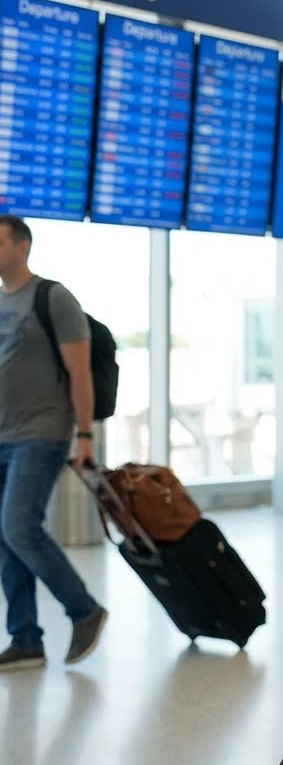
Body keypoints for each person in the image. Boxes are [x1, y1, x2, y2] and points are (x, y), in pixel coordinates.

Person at [0, 215, 108, 670]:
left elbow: (80, 373)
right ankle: (26, 638)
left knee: (19, 527)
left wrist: (84, 436)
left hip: (42, 433)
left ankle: (84, 610)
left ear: (21, 246)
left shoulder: (53, 298)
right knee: (6, 538)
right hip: (3, 436)